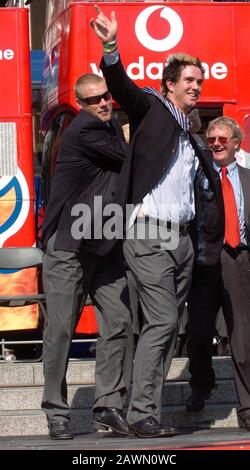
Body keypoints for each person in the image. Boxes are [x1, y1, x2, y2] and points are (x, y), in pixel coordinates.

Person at [91, 5, 224, 437]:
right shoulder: (151, 107)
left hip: (182, 240)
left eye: (200, 82)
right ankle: (142, 412)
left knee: (163, 328)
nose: (197, 87)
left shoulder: (191, 130)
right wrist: (111, 46)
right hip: (147, 233)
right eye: (190, 81)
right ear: (170, 85)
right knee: (164, 322)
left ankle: (143, 409)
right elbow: (121, 87)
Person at [41, 73, 134, 439]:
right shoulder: (85, 130)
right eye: (94, 99)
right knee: (62, 330)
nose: (104, 103)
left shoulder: (108, 127)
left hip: (104, 246)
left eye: (106, 96)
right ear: (81, 105)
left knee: (120, 322)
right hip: (70, 247)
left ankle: (108, 405)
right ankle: (56, 411)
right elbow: (131, 159)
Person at [186, 117, 250, 431]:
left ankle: (248, 405)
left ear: (236, 143)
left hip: (240, 259)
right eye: (211, 139)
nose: (216, 144)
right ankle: (201, 383)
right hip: (204, 261)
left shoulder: (248, 178)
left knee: (242, 336)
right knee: (197, 331)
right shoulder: (198, 176)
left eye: (223, 140)